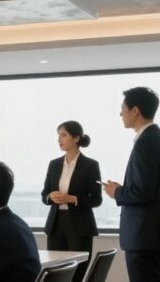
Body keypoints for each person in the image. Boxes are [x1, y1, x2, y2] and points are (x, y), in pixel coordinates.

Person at [104, 86, 160, 282]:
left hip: (144, 236)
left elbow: (142, 193)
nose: (120, 113)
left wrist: (117, 192)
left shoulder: (146, 143)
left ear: (135, 110)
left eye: (123, 108)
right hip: (159, 235)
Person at [41, 120, 102, 282]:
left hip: (80, 225)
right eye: (58, 136)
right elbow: (44, 194)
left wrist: (72, 199)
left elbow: (96, 199)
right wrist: (50, 197)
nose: (59, 140)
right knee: (54, 272)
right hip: (56, 224)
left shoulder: (90, 165)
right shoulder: (53, 165)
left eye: (63, 135)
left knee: (77, 272)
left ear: (76, 138)